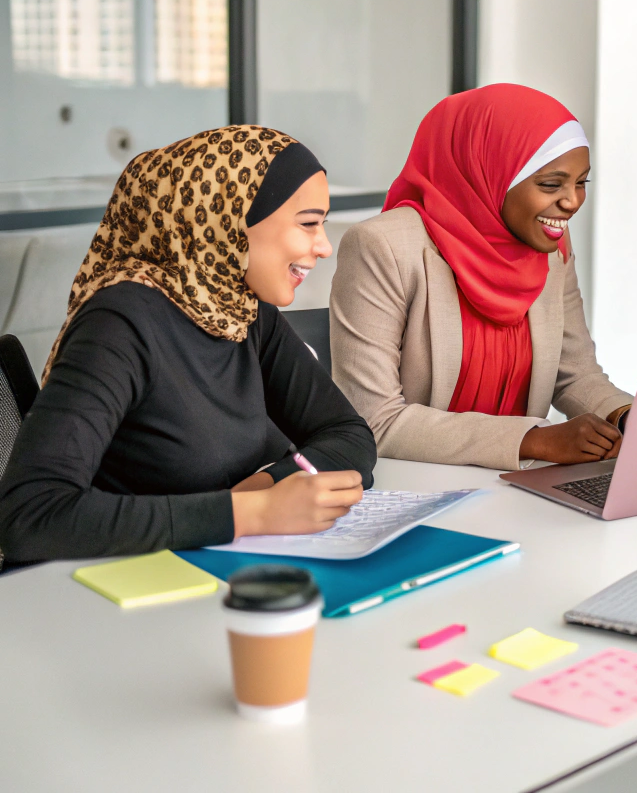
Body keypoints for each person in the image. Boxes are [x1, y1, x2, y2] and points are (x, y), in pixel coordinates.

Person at [0, 128, 376, 566]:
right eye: (309, 223)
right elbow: (31, 515)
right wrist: (249, 514)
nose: (324, 246)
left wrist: (268, 486)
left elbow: (349, 435)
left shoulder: (242, 309)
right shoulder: (120, 323)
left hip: (225, 568)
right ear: (232, 217)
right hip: (125, 590)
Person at [330, 84, 633, 471]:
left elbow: (573, 373)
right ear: (491, 171)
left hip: (518, 484)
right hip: (418, 484)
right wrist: (532, 440)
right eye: (551, 184)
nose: (572, 201)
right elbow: (374, 419)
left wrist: (625, 415)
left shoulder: (549, 245)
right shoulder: (383, 246)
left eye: (581, 183)